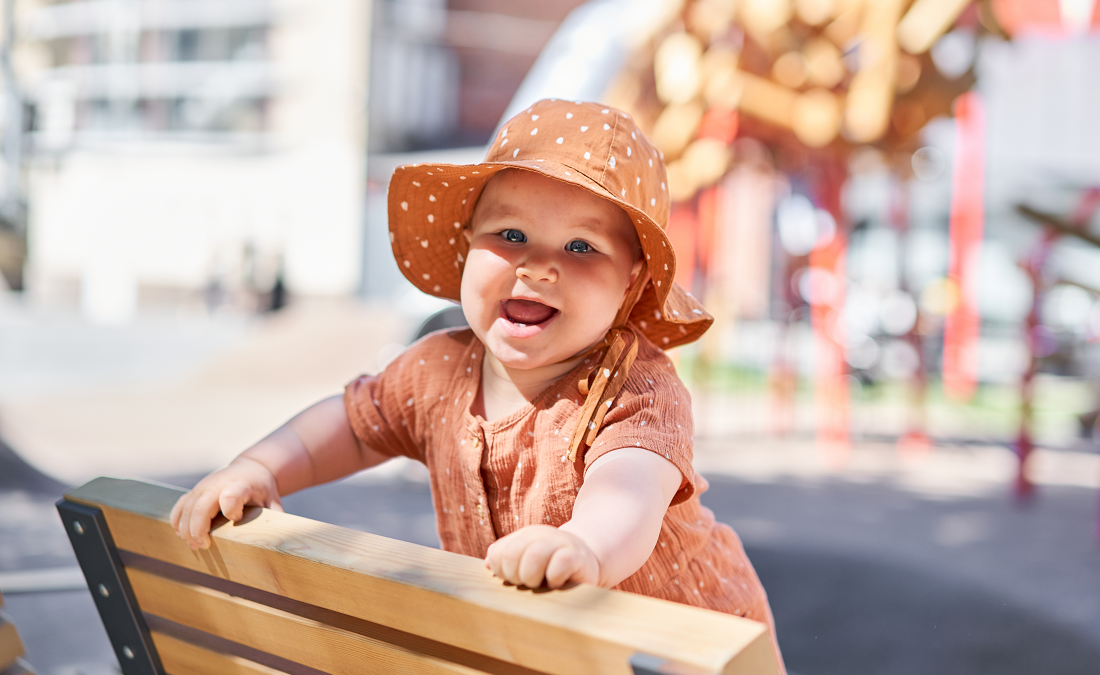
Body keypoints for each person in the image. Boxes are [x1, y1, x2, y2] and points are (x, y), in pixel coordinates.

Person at [170, 99, 781, 663]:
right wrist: (261, 469)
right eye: (510, 235)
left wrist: (586, 547)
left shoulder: (635, 388)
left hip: (695, 648)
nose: (539, 265)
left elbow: (626, 496)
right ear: (466, 248)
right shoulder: (436, 371)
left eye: (581, 245)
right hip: (551, 645)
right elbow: (349, 429)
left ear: (632, 281)